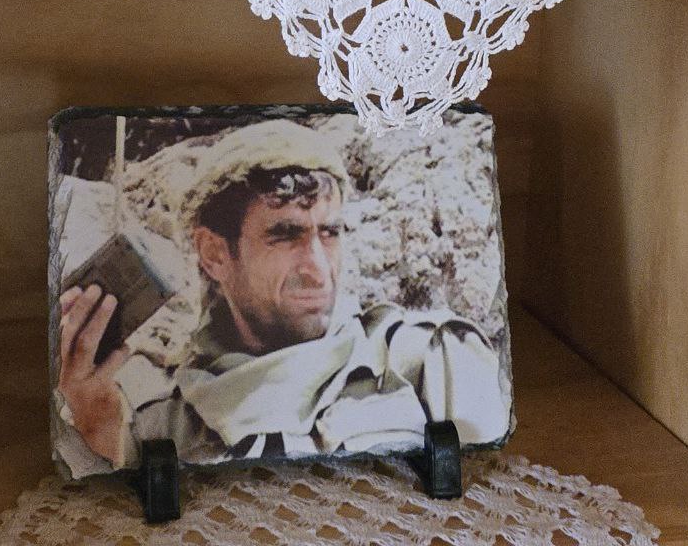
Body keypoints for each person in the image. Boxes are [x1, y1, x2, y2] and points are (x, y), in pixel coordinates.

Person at [56, 120, 511, 471]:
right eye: (286, 235)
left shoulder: (432, 361)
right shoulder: (165, 429)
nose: (318, 269)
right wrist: (96, 418)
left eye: (329, 233)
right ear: (214, 253)